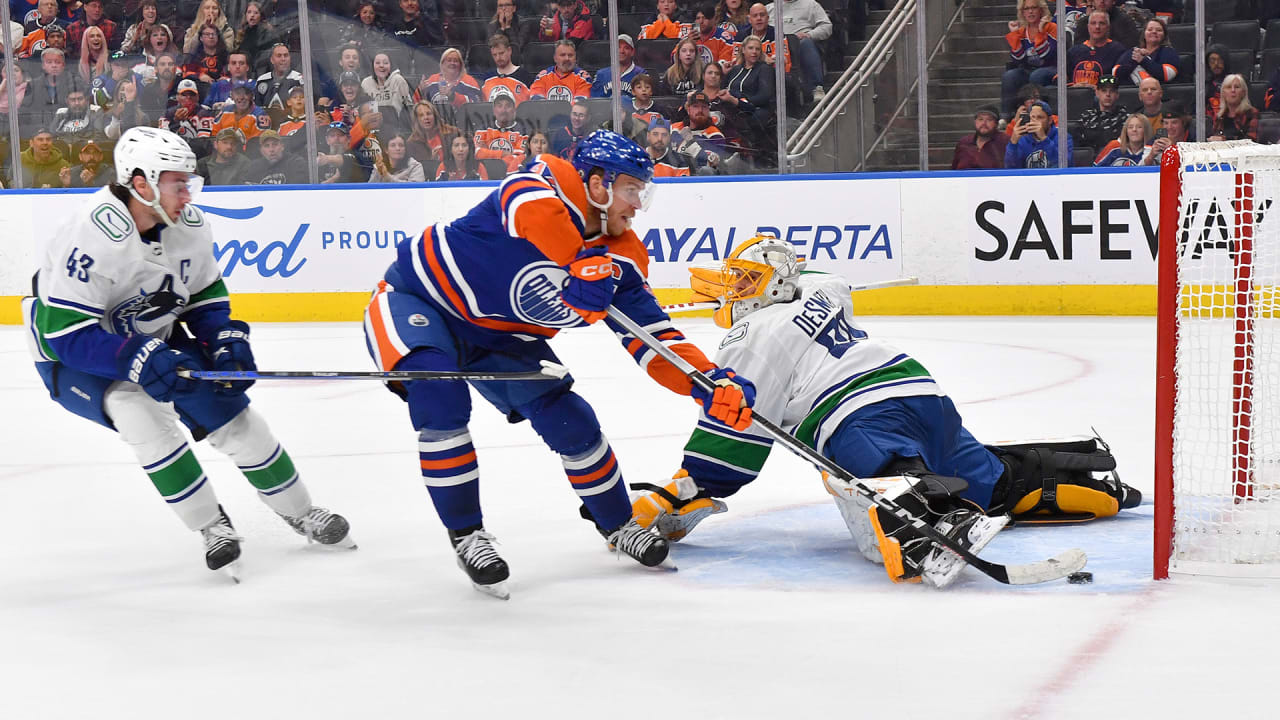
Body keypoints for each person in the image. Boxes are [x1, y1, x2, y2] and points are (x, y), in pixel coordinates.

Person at [361, 130, 756, 597]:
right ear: (596, 184)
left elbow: (655, 340)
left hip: (505, 337)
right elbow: (530, 210)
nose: (637, 206)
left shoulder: (622, 259)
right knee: (439, 399)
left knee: (572, 423)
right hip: (419, 300)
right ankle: (468, 534)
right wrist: (575, 263)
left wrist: (705, 381)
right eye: (631, 189)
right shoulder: (539, 184)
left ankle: (618, 525)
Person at [628, 235, 1139, 587]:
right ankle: (1085, 484)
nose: (733, 289)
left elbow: (732, 440)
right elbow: (816, 273)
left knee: (892, 478)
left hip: (859, 415)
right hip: (923, 394)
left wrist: (680, 492)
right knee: (991, 481)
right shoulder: (825, 287)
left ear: (774, 286)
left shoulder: (749, 337)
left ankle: (931, 529)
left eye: (744, 280)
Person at [22, 126, 352, 579]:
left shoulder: (188, 227)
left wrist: (223, 338)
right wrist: (134, 358)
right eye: (178, 183)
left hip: (149, 330)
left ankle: (300, 510)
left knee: (231, 411)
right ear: (141, 183)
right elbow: (65, 333)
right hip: (77, 351)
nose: (188, 194)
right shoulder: (90, 234)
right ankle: (211, 526)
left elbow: (204, 294)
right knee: (135, 410)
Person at [1001, 0, 1056, 121]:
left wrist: (1041, 32)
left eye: (1034, 8)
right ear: (1022, 13)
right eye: (1026, 9)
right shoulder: (1021, 31)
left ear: (1041, 10)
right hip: (1029, 69)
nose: (1030, 11)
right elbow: (1018, 59)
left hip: (1052, 68)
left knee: (1037, 75)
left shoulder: (1052, 28)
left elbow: (1047, 55)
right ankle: (1006, 117)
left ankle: (1037, 113)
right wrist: (1014, 34)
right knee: (1010, 76)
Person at [764, 0, 831, 100]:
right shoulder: (768, 8)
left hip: (800, 42)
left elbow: (827, 27)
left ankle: (816, 88)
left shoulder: (810, 4)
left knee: (806, 43)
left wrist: (809, 35)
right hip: (775, 46)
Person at [1065, 10, 1125, 89]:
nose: (1097, 27)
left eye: (1102, 23)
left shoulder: (1118, 50)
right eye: (1093, 23)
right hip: (1076, 96)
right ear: (1088, 27)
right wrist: (1073, 87)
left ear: (1108, 27)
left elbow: (1120, 79)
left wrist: (1099, 89)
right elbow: (1060, 78)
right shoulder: (1073, 51)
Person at [672, 90, 727, 172]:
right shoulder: (674, 128)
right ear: (688, 109)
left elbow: (711, 163)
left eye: (704, 107)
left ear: (708, 110)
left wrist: (690, 142)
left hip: (698, 179)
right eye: (695, 106)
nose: (700, 110)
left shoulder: (715, 135)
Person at [1005, 100, 1071, 168]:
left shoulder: (1062, 137)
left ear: (1050, 120)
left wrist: (1043, 138)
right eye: (1032, 117)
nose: (1035, 121)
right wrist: (1013, 143)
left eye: (1040, 117)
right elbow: (1011, 168)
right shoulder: (1022, 139)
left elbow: (1065, 165)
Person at [474, 93, 529, 173]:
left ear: (514, 110)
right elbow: (476, 153)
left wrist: (487, 153)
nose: (503, 110)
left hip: (511, 174)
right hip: (486, 173)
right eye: (499, 106)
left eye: (508, 106)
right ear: (494, 110)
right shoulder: (483, 129)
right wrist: (503, 153)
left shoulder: (523, 132)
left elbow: (518, 158)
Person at [1114, 17, 1178, 85]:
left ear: (1164, 36)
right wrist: (1134, 60)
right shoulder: (1132, 52)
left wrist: (1143, 60)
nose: (1154, 32)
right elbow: (1115, 73)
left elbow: (1168, 75)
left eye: (1159, 30)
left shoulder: (1168, 52)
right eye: (1150, 29)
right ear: (1144, 34)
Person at [160, 78, 215, 155]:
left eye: (192, 94)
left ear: (197, 97)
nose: (188, 98)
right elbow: (164, 141)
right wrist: (175, 122)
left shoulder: (205, 114)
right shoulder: (168, 114)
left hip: (196, 155)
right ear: (177, 97)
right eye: (184, 95)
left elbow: (203, 144)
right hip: (173, 153)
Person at [1072, 74, 1126, 152]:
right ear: (1097, 93)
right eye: (1104, 90)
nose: (1108, 94)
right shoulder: (1086, 117)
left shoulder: (1125, 118)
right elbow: (1078, 147)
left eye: (1112, 91)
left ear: (1117, 94)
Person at [362, 52, 414, 132]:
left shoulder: (398, 80)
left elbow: (409, 108)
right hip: (371, 130)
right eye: (377, 63)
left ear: (391, 66)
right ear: (372, 66)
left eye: (385, 63)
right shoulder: (366, 83)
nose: (381, 65)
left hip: (396, 129)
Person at [415, 47, 482, 107]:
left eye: (455, 61)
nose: (452, 63)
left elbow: (476, 105)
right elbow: (416, 106)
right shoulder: (432, 80)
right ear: (442, 63)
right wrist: (420, 91)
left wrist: (452, 96)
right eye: (449, 60)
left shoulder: (469, 81)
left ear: (461, 65)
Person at [254, 43, 303, 121]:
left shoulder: (299, 79)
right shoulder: (262, 80)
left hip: (292, 125)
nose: (283, 59)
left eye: (286, 55)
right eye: (279, 56)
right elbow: (257, 107)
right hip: (267, 125)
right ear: (272, 60)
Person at [951, 105, 1008, 170]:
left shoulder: (1004, 141)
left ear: (996, 123)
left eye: (989, 120)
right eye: (980, 119)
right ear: (975, 122)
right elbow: (954, 170)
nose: (984, 123)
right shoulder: (963, 143)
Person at [591, 34, 645, 100]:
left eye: (626, 48)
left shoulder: (641, 73)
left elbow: (644, 102)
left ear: (632, 52)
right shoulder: (601, 74)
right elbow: (595, 103)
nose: (622, 51)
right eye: (618, 47)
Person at [483, 33, 535, 102]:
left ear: (509, 50)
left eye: (501, 53)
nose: (498, 58)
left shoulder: (525, 76)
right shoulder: (487, 78)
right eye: (494, 55)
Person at [243, 128, 307, 184]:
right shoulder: (254, 167)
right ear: (261, 150)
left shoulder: (296, 163)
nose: (271, 149)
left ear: (282, 146)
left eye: (275, 144)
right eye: (266, 146)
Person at [406, 99, 456, 169]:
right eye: (421, 115)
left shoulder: (452, 132)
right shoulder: (412, 143)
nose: (426, 117)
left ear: (435, 116)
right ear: (417, 120)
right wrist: (431, 161)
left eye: (429, 114)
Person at [1208, 74, 1258, 143]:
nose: (1233, 90)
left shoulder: (1251, 113)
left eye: (1237, 87)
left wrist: (1224, 140)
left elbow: (1251, 141)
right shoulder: (1219, 116)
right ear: (1223, 93)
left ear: (1243, 93)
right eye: (1228, 87)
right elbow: (1216, 136)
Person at [1069, 0, 1137, 49]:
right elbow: (1078, 48)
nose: (1102, 1)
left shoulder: (1126, 22)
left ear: (1114, 1)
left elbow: (1129, 49)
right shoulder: (1084, 22)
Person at [182, 22, 229, 89]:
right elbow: (186, 73)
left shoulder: (226, 55)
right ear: (201, 38)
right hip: (199, 87)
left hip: (222, 88)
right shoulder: (194, 56)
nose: (211, 37)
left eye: (214, 34)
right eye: (207, 34)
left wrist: (226, 79)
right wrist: (199, 76)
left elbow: (234, 73)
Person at [1142, 101, 1189, 166]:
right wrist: (1151, 155)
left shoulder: (1194, 137)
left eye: (1174, 122)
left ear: (1183, 123)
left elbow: (1196, 163)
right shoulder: (1156, 140)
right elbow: (1140, 168)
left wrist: (1172, 150)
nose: (1169, 127)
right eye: (1166, 123)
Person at [234, 0, 275, 73]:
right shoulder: (241, 32)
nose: (252, 15)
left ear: (261, 16)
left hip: (261, 70)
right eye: (249, 12)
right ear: (246, 15)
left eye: (256, 13)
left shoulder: (267, 32)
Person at [692, 3, 736, 68]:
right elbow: (675, 57)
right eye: (698, 18)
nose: (701, 21)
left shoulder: (724, 38)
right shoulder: (690, 36)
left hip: (715, 75)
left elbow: (724, 65)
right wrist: (689, 43)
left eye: (705, 18)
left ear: (714, 18)